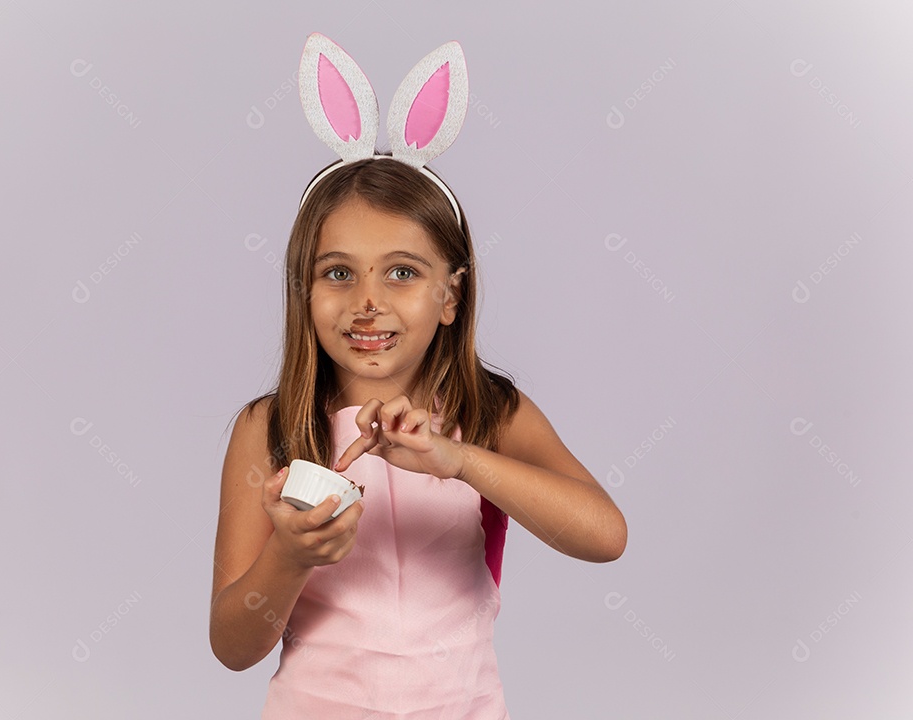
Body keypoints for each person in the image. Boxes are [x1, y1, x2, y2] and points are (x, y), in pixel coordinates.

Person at [210, 33, 627, 719]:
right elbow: (233, 643)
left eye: (402, 272)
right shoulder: (272, 427)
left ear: (451, 295)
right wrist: (290, 555)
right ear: (303, 290)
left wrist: (460, 460)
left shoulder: (489, 413)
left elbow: (604, 535)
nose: (368, 301)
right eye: (338, 273)